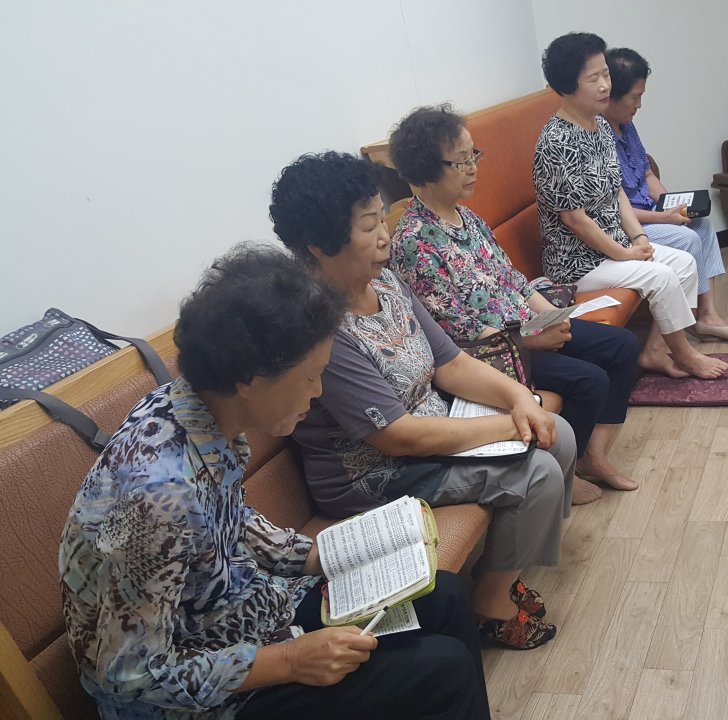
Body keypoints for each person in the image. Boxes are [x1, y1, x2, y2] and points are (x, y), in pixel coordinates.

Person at [58, 245, 489, 719]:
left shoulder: (196, 412)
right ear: (252, 379)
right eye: (310, 377)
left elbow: (229, 522)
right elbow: (129, 676)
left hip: (248, 615)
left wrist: (323, 556)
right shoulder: (156, 498)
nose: (318, 392)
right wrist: (289, 661)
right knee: (442, 670)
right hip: (204, 694)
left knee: (445, 596)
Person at [272, 152, 574, 650]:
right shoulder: (322, 327)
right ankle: (490, 603)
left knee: (557, 434)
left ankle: (503, 572)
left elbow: (450, 362)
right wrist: (511, 423)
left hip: (432, 438)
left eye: (382, 219)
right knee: (537, 471)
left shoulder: (385, 283)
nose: (385, 235)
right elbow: (397, 437)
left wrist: (519, 397)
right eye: (369, 226)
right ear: (318, 246)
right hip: (377, 475)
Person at [387, 104, 641, 498]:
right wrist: (530, 340)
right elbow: (454, 330)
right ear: (426, 169)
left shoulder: (468, 218)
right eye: (461, 161)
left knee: (623, 346)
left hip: (526, 329)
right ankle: (568, 469)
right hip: (491, 354)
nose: (473, 168)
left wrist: (554, 317)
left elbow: (515, 282)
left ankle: (593, 454)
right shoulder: (414, 242)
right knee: (589, 380)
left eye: (474, 155)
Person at [533, 32, 728, 380]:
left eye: (605, 74)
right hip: (579, 264)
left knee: (684, 263)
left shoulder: (599, 126)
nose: (605, 85)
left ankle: (655, 351)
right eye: (593, 78)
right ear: (567, 85)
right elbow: (575, 220)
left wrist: (639, 237)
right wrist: (625, 254)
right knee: (662, 275)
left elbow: (617, 193)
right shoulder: (556, 142)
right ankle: (686, 355)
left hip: (613, 248)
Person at [602, 47, 728, 342]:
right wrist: (664, 217)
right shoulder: (597, 137)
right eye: (634, 97)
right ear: (611, 95)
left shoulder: (627, 127)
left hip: (650, 214)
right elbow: (615, 208)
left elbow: (647, 174)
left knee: (702, 226)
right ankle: (682, 325)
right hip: (627, 227)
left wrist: (675, 204)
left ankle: (708, 315)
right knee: (687, 238)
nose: (639, 105)